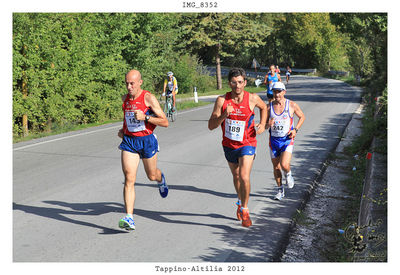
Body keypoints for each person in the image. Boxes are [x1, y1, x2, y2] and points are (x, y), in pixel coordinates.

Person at [208, 67, 267, 227]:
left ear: (245, 82)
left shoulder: (253, 98)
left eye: (240, 82)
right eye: (234, 82)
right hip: (229, 145)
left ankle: (246, 210)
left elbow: (264, 107)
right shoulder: (222, 101)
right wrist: (224, 115)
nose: (237, 86)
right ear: (229, 83)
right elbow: (211, 125)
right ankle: (240, 203)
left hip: (247, 143)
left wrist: (262, 124)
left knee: (244, 175)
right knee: (236, 177)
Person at [117, 69, 169, 230]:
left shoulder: (148, 98)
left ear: (140, 82)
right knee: (129, 178)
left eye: (132, 83)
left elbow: (164, 122)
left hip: (147, 141)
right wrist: (124, 130)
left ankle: (161, 180)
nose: (129, 87)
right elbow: (128, 119)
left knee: (151, 175)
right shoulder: (125, 99)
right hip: (130, 142)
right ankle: (129, 217)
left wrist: (146, 117)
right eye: (126, 83)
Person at [266, 82, 305, 200]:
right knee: (276, 167)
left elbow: (302, 117)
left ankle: (288, 174)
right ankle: (280, 190)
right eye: (274, 91)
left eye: (279, 91)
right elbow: (264, 125)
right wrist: (269, 124)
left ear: (284, 92)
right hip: (273, 141)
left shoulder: (291, 105)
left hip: (287, 140)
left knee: (284, 164)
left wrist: (296, 130)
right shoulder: (268, 107)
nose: (276, 94)